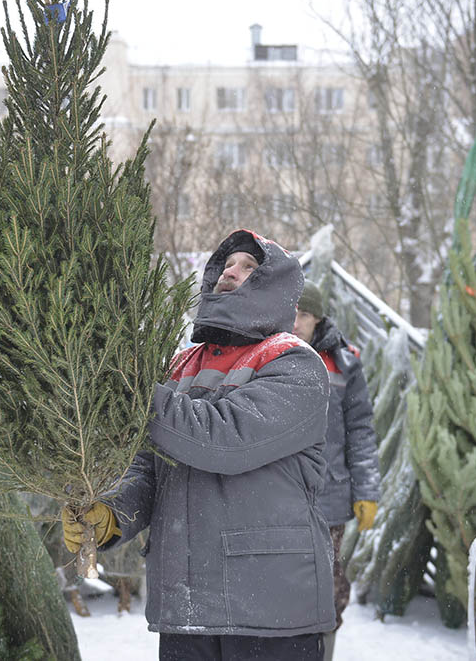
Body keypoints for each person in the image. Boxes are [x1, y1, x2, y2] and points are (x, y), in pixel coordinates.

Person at [63, 229, 335, 660]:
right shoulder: (181, 365)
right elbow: (149, 467)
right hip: (186, 608)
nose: (231, 271)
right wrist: (113, 515)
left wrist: (131, 386)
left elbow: (223, 439)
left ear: (275, 286)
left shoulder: (295, 363)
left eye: (249, 266)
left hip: (268, 611)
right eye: (227, 264)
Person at [293, 280, 381, 661]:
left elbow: (360, 430)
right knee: (279, 589)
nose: (295, 322)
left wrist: (367, 491)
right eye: (290, 312)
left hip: (328, 500)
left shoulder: (344, 363)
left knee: (328, 591)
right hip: (277, 498)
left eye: (304, 314)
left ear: (318, 318)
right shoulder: (268, 353)